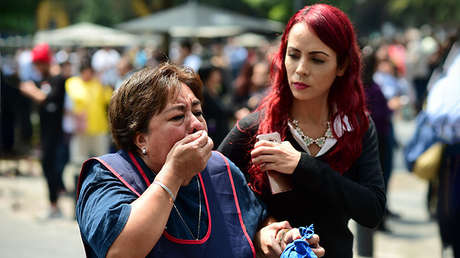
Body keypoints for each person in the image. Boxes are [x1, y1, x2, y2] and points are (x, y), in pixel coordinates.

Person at [76, 63, 325, 258]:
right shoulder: (107, 174)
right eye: (177, 116)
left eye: (197, 112)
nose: (196, 124)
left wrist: (270, 238)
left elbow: (254, 226)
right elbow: (121, 252)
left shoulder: (221, 169)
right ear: (141, 139)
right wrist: (173, 174)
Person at [218, 4, 385, 258]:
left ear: (342, 66)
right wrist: (259, 230)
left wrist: (301, 165)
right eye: (293, 55)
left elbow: (372, 210)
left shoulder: (356, 126)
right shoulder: (255, 126)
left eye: (317, 59)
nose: (301, 69)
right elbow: (211, 192)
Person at [19, 43, 67, 218]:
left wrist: (31, 91)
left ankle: (55, 204)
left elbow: (46, 98)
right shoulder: (44, 79)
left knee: (51, 165)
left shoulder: (58, 79)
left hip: (57, 133)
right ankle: (54, 202)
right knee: (47, 166)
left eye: (39, 64)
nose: (37, 69)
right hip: (45, 132)